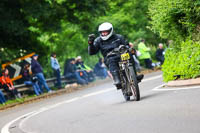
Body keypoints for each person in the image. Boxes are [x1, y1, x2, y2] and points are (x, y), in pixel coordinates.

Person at [88, 22, 144, 89]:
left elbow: (126, 45)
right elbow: (92, 52)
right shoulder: (98, 40)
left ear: (110, 31)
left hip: (121, 55)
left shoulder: (119, 37)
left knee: (129, 55)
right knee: (111, 60)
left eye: (105, 32)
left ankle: (134, 75)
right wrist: (90, 44)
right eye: (102, 32)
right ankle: (117, 79)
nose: (103, 34)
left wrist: (129, 48)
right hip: (109, 58)